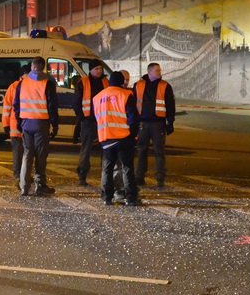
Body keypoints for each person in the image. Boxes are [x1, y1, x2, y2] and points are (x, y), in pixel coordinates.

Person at [93, 70, 140, 206]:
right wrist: (133, 135)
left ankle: (107, 197)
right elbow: (133, 118)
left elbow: (96, 118)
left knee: (107, 169)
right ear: (121, 82)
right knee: (127, 168)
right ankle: (130, 198)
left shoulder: (98, 97)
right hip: (124, 137)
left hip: (106, 137)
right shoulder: (126, 95)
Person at [13, 57, 59, 197]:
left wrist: (19, 122)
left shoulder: (22, 83)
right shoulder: (47, 83)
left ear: (32, 66)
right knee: (40, 155)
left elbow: (16, 105)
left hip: (26, 123)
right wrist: (55, 124)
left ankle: (24, 187)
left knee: (27, 154)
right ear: (43, 67)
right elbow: (52, 106)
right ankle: (40, 185)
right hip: (41, 123)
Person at [134, 62, 176, 189]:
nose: (160, 72)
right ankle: (139, 177)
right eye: (157, 70)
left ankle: (160, 179)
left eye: (159, 70)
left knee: (159, 152)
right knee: (141, 151)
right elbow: (133, 104)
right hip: (143, 123)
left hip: (158, 124)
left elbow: (170, 106)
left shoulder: (165, 86)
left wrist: (170, 122)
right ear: (150, 71)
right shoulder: (138, 85)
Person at [72, 64, 109, 186]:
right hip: (88, 120)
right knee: (86, 149)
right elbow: (77, 102)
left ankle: (106, 176)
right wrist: (82, 117)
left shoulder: (105, 82)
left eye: (100, 69)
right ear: (91, 70)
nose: (99, 71)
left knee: (105, 149)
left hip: (103, 120)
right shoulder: (83, 82)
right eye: (96, 68)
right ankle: (82, 176)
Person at [1, 72, 26, 182]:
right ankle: (19, 175)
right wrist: (6, 124)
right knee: (22, 153)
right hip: (22, 127)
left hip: (18, 126)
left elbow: (7, 107)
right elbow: (7, 107)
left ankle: (19, 175)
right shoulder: (15, 87)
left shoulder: (13, 87)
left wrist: (6, 124)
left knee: (20, 153)